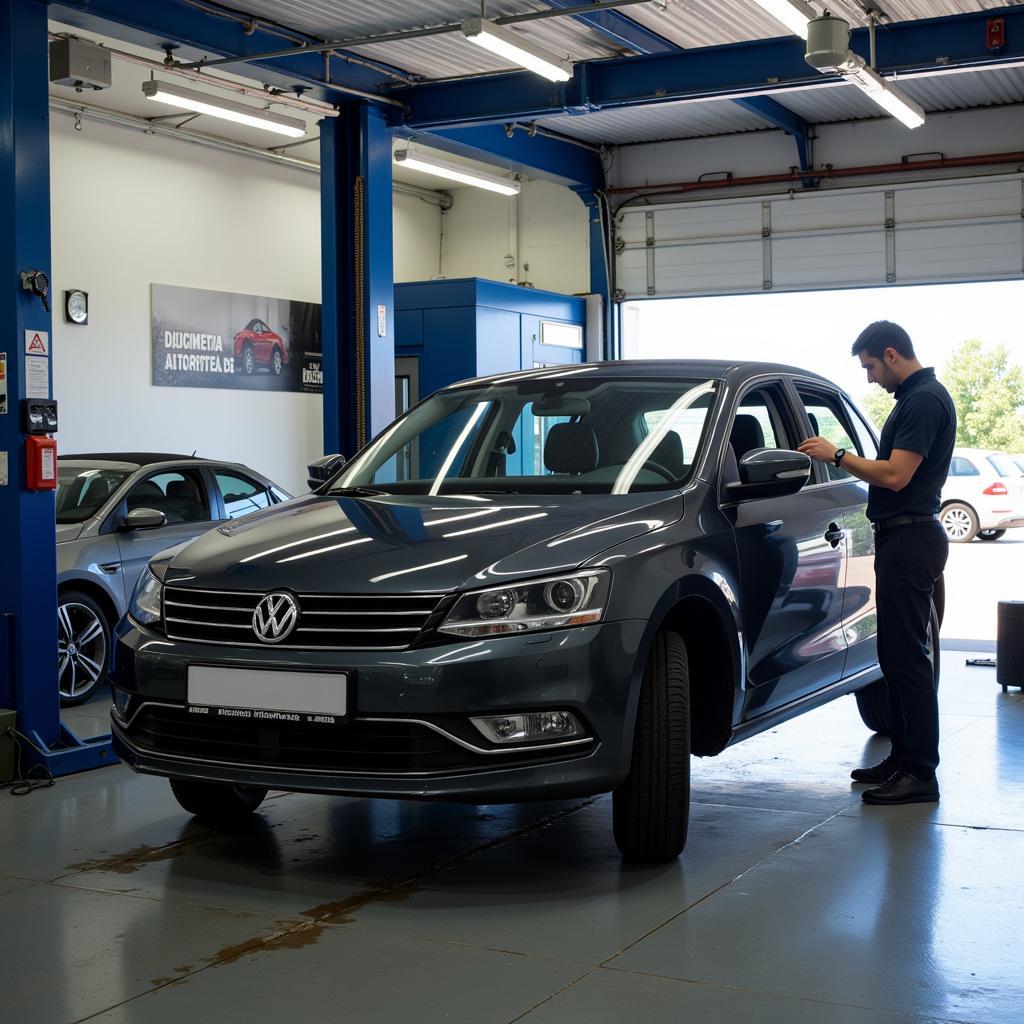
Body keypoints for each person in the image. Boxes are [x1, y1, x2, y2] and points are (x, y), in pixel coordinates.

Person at [799, 321, 956, 805]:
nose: (869, 378)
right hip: (901, 538)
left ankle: (920, 774)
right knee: (894, 656)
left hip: (911, 539)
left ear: (891, 354)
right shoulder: (914, 399)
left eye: (869, 366)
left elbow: (894, 475)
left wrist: (837, 454)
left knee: (908, 661)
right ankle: (904, 757)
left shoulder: (925, 400)